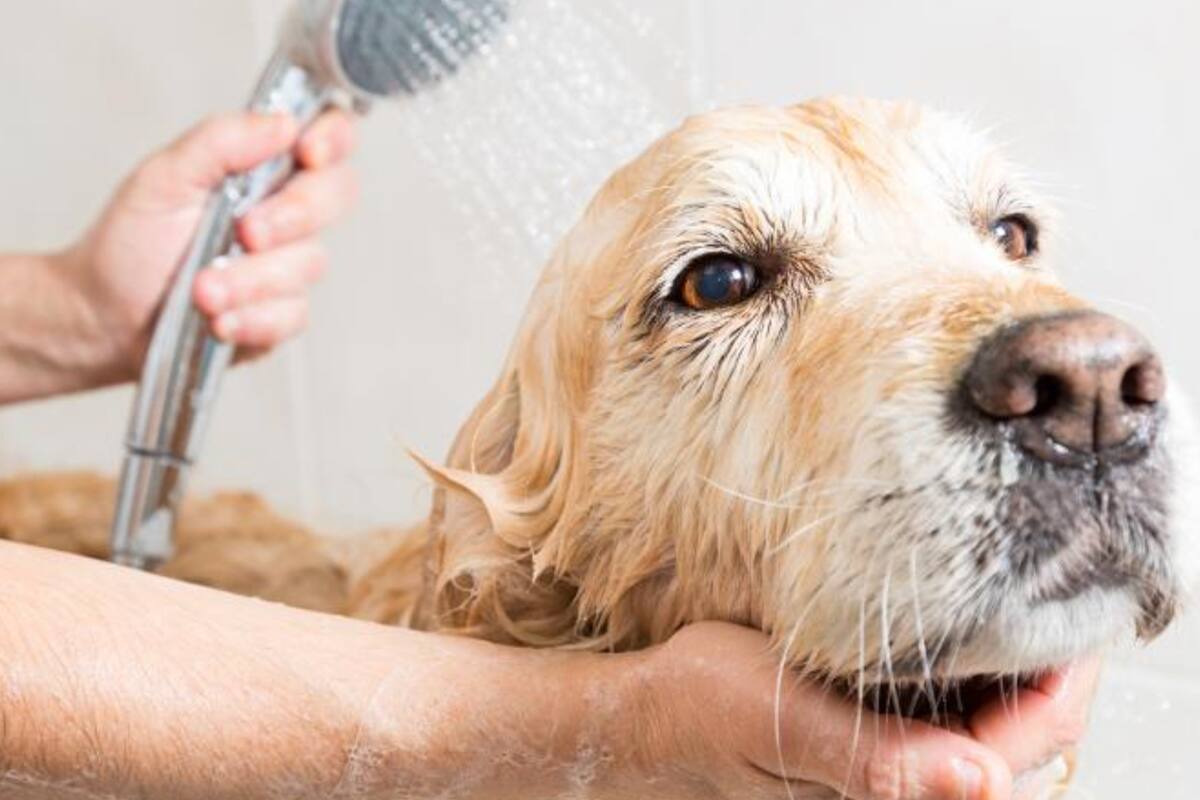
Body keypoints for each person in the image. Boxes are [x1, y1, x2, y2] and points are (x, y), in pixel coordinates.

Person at [0, 110, 1097, 800]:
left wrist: (71, 311)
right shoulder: (516, 623)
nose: (1071, 364)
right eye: (721, 282)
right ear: (545, 544)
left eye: (1008, 236)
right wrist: (592, 733)